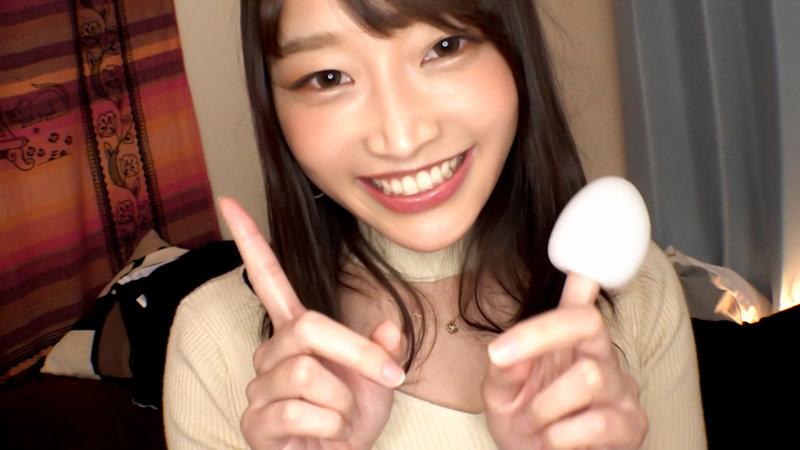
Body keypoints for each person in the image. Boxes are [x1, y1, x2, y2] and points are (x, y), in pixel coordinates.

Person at [163, 0, 707, 448]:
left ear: (513, 48)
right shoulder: (216, 342)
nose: (401, 138)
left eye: (444, 46)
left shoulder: (637, 291)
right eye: (328, 77)